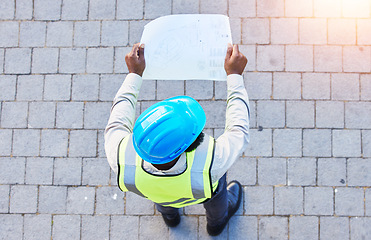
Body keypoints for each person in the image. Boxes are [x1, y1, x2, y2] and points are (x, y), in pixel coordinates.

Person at [105, 42, 249, 236]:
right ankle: (216, 226)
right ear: (188, 147)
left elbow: (118, 117)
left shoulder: (120, 156)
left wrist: (134, 74)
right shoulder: (213, 162)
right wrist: (235, 76)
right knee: (217, 200)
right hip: (204, 192)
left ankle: (171, 217)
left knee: (163, 199)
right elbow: (238, 130)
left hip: (158, 192)